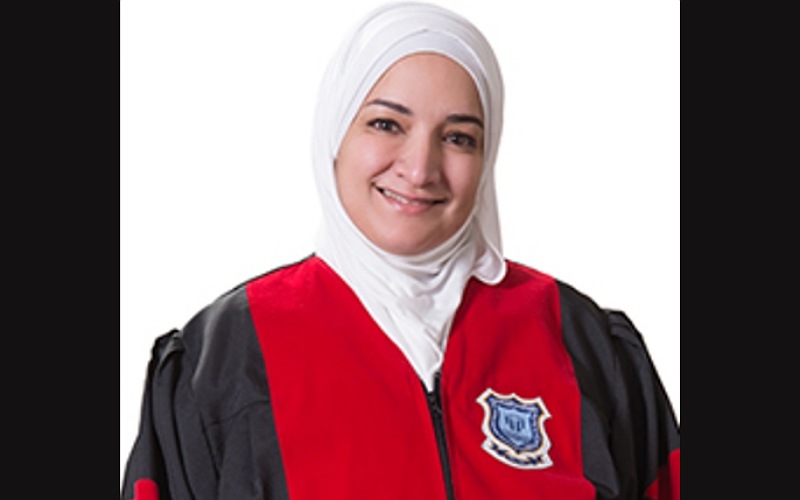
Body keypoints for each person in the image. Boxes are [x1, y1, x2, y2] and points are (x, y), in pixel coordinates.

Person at [120, 2, 679, 499]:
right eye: (386, 124)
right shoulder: (223, 360)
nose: (419, 168)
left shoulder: (582, 345)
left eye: (458, 137)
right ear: (335, 134)